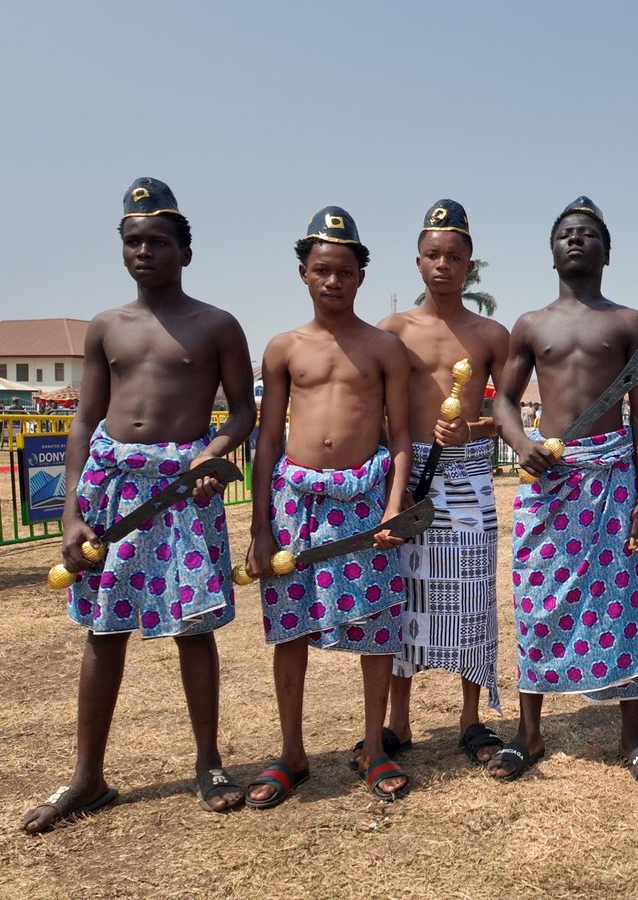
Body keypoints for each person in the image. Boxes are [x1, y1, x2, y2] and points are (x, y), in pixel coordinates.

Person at [21, 177, 255, 833]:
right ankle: (87, 777)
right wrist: (71, 510)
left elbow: (243, 410)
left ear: (185, 249)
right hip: (112, 488)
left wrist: (213, 453)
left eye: (157, 241)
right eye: (133, 241)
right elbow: (84, 419)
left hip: (183, 489)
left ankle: (208, 764)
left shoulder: (216, 325)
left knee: (194, 628)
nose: (144, 251)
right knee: (104, 630)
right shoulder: (106, 328)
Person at [488, 196, 638, 787]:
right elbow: (504, 400)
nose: (575, 240)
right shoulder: (530, 325)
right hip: (550, 479)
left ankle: (633, 734)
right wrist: (522, 445)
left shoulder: (628, 324)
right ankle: (529, 730)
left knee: (624, 598)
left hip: (614, 477)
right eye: (566, 233)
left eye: (588, 234)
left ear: (606, 252)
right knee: (538, 600)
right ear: (552, 249)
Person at [242, 207, 414, 806]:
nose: (333, 281)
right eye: (322, 270)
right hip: (297, 503)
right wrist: (260, 527)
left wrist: (395, 505)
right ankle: (292, 752)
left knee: (374, 626)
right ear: (303, 273)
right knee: (290, 627)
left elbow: (401, 437)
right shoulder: (284, 348)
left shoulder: (384, 348)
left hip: (366, 502)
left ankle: (373, 745)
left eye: (344, 271)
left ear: (360, 276)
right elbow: (265, 439)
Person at [371, 199, 510, 767]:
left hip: (468, 474)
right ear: (418, 261)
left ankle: (471, 717)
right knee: (405, 593)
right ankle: (397, 722)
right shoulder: (392, 330)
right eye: (433, 254)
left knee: (472, 594)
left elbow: (509, 415)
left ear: (470, 263)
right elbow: (376, 408)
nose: (443, 265)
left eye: (454, 256)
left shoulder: (491, 334)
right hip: (408, 472)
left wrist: (472, 426)